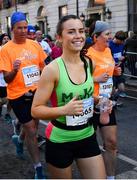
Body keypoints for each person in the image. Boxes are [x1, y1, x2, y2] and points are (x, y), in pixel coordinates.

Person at [31, 15, 106, 179]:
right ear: (59, 37)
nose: (78, 36)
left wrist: (98, 100)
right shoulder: (52, 70)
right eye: (71, 32)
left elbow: (83, 94)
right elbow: (36, 110)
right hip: (60, 139)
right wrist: (65, 110)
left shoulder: (89, 63)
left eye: (81, 31)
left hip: (87, 134)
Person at [0, 11, 47, 179]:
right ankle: (38, 168)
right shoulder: (5, 50)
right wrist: (15, 69)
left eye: (25, 27)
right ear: (12, 28)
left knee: (32, 128)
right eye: (19, 28)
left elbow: (43, 67)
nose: (23, 30)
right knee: (31, 130)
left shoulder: (35, 45)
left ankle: (19, 140)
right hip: (18, 95)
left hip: (36, 92)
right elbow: (7, 78)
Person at [86, 20, 121, 179]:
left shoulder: (107, 51)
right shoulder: (87, 56)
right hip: (91, 104)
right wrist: (95, 78)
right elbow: (79, 81)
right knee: (89, 145)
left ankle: (110, 177)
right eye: (107, 34)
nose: (110, 37)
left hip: (107, 104)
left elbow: (110, 71)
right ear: (96, 36)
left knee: (112, 143)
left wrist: (116, 72)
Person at [109, 31, 127, 99]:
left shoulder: (122, 45)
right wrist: (116, 58)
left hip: (119, 69)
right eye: (122, 41)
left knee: (122, 89)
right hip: (111, 70)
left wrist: (124, 57)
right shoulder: (109, 45)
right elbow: (107, 57)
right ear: (117, 39)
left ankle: (115, 98)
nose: (123, 43)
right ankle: (113, 101)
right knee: (112, 90)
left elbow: (124, 54)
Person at [0, 33, 12, 123]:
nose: (6, 40)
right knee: (3, 100)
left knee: (11, 99)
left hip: (12, 79)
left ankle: (8, 113)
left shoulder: (12, 50)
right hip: (1, 80)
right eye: (4, 38)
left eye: (8, 38)